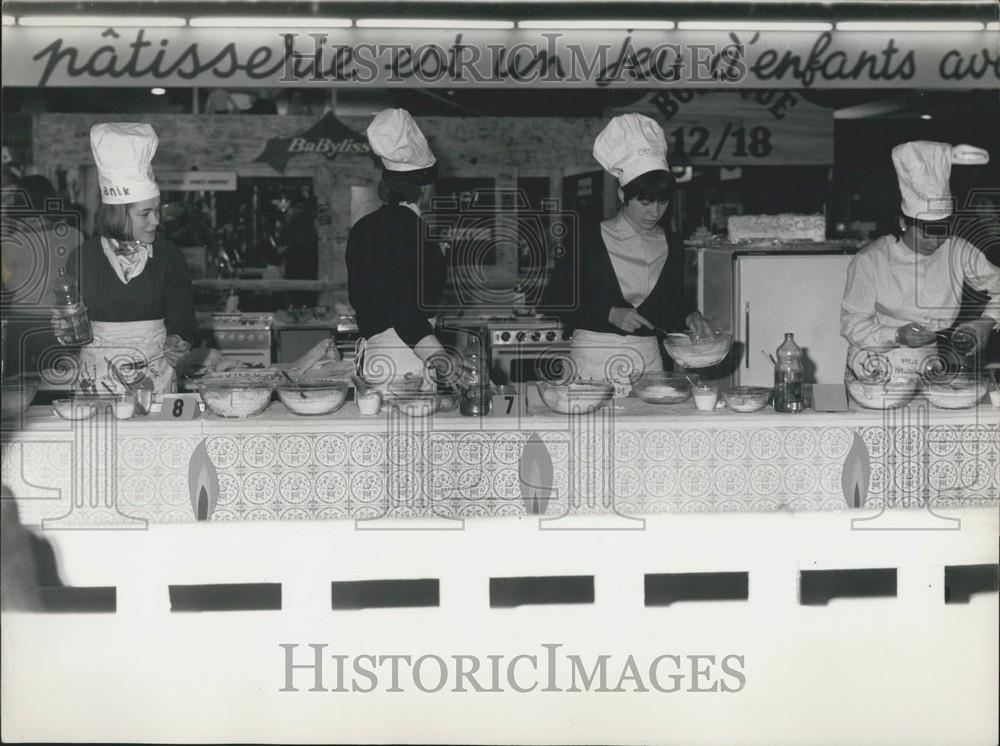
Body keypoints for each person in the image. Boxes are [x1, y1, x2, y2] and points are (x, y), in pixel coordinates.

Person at [545, 113, 713, 391]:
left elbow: (668, 307)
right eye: (645, 202)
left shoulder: (672, 243)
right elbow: (553, 300)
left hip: (648, 359)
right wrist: (608, 314)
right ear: (623, 195)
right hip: (594, 359)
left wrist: (689, 315)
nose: (654, 212)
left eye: (662, 203)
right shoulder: (588, 238)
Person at [56, 123, 197, 394]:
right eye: (145, 214)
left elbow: (184, 321)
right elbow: (71, 332)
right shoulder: (83, 258)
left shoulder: (169, 256)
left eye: (157, 211)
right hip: (97, 383)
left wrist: (179, 341)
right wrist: (61, 328)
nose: (156, 221)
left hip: (155, 381)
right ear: (118, 214)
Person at [841, 141, 1000, 379]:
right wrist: (895, 334)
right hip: (875, 366)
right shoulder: (871, 259)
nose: (936, 242)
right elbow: (851, 324)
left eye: (942, 231)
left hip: (928, 365)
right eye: (926, 232)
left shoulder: (957, 250)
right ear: (903, 222)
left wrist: (987, 322)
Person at [346, 108, 450, 388]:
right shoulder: (415, 231)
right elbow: (404, 310)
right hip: (409, 362)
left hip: (375, 360)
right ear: (425, 188)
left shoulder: (362, 228)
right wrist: (440, 357)